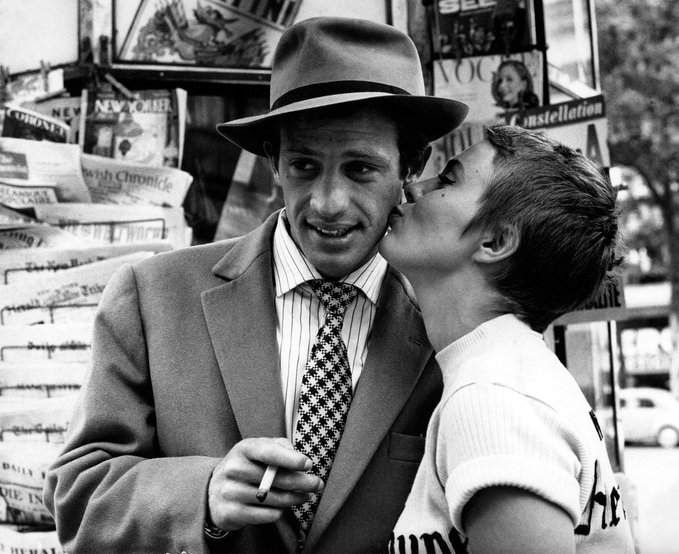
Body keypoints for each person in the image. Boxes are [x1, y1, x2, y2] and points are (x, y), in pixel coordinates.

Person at [43, 17, 467, 554]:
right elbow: (78, 499)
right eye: (305, 165)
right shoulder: (151, 298)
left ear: (412, 166)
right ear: (273, 163)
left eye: (360, 169)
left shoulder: (452, 326)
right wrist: (202, 495)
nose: (328, 202)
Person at [380, 125, 635, 553]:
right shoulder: (510, 372)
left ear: (495, 241)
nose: (413, 186)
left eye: (447, 180)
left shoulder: (491, 397)